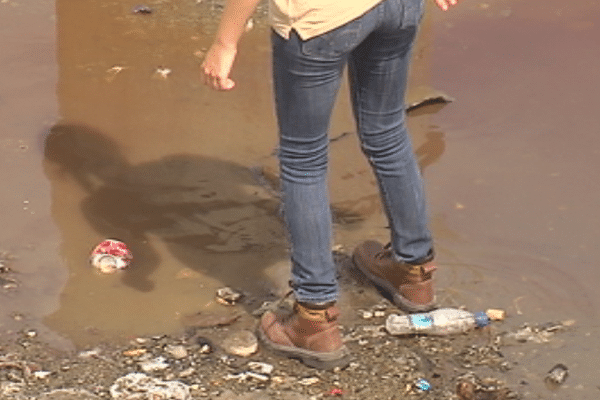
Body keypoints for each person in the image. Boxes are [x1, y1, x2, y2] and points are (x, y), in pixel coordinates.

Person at [202, 0, 460, 369]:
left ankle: (314, 317)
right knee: (387, 132)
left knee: (303, 158)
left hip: (320, 19)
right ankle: (413, 272)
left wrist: (225, 42)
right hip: (398, 8)